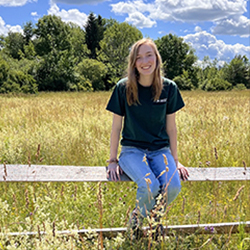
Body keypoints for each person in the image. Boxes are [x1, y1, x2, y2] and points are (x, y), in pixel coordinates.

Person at [106, 38, 189, 237]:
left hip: (160, 150)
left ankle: (153, 219)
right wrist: (111, 161)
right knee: (149, 184)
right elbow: (116, 128)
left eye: (149, 55)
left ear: (157, 58)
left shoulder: (169, 88)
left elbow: (171, 128)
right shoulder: (123, 88)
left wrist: (175, 161)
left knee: (173, 186)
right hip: (131, 151)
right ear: (133, 63)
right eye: (139, 57)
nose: (145, 61)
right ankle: (137, 221)